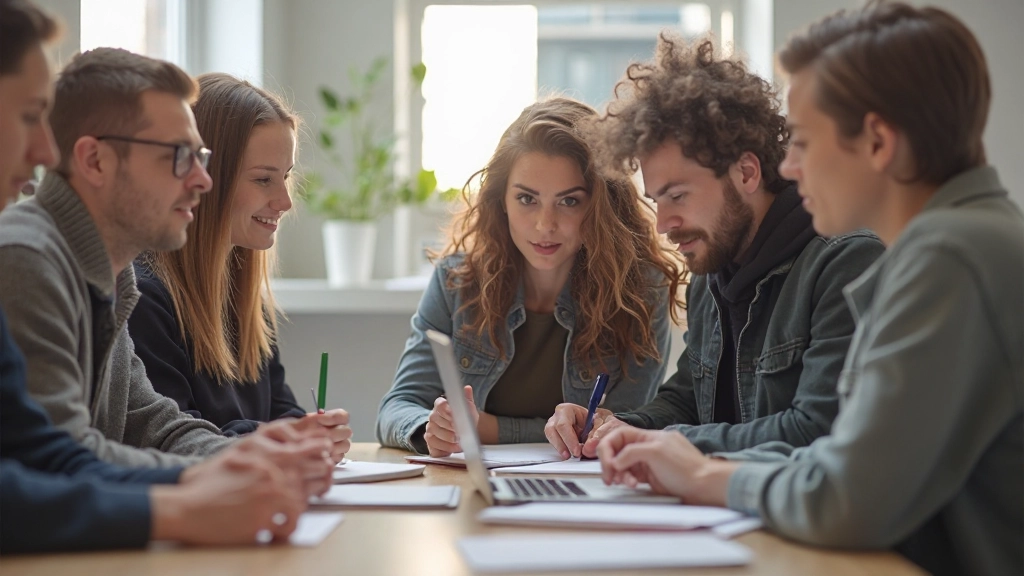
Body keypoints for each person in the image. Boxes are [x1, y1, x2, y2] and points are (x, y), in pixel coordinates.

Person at [597, 4, 1023, 575]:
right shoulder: (955, 243)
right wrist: (671, 450)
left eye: (801, 141)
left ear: (877, 142)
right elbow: (837, 455)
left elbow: (847, 496)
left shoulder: (948, 257)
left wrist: (702, 473)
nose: (789, 167)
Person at [0, 0, 332, 553]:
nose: (203, 181)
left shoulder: (110, 271)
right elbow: (55, 458)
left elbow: (149, 422)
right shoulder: (26, 259)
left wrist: (248, 460)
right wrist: (189, 497)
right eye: (179, 157)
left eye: (200, 156)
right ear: (96, 162)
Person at [544, 34, 883, 459]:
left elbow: (816, 431)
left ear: (745, 173)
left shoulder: (845, 263)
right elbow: (686, 399)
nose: (665, 225)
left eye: (679, 195)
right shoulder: (711, 273)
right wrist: (616, 425)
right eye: (657, 201)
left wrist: (661, 443)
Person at [376, 97, 685, 456]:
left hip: (584, 494)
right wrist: (429, 428)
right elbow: (396, 407)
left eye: (569, 201)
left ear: (600, 206)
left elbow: (623, 426)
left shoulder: (640, 292)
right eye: (527, 199)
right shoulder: (455, 281)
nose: (545, 225)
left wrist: (490, 429)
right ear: (500, 200)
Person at [127, 73, 351, 463]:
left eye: (286, 177)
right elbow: (171, 439)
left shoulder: (245, 298)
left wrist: (310, 432)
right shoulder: (145, 296)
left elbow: (282, 410)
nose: (284, 201)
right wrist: (283, 437)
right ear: (201, 178)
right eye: (263, 179)